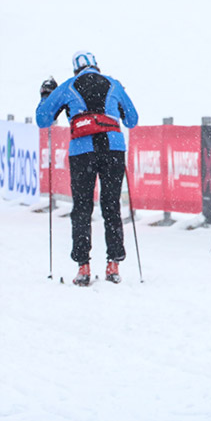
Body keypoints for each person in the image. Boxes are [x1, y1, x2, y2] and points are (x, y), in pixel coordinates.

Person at [35, 51, 138, 286]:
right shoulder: (112, 83)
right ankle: (113, 264)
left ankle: (83, 267)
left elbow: (43, 120)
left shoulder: (68, 86)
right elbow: (132, 120)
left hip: (82, 152)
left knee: (82, 207)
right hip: (113, 149)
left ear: (75, 70)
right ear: (97, 67)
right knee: (111, 205)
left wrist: (46, 94)